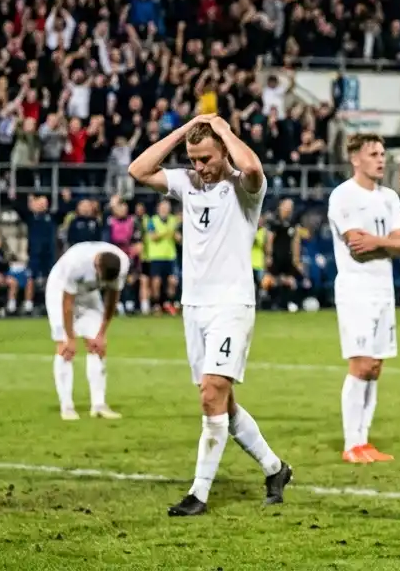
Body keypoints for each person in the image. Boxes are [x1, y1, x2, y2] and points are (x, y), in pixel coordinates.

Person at [129, 114, 292, 516]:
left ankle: (199, 494)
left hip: (232, 305)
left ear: (223, 151)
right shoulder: (186, 183)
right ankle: (275, 468)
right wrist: (184, 133)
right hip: (193, 306)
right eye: (194, 159)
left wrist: (225, 131)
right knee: (224, 402)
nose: (200, 167)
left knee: (209, 395)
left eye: (207, 158)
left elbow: (252, 166)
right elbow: (138, 170)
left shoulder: (244, 188)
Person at [327, 132, 400, 463]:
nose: (380, 159)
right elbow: (356, 245)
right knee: (360, 365)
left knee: (375, 367)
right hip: (356, 289)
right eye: (373, 154)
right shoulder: (343, 196)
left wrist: (379, 243)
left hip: (383, 290)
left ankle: (363, 441)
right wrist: (385, 241)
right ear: (355, 158)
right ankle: (351, 444)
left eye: (381, 154)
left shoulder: (389, 197)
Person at [47, 240, 129, 421]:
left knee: (98, 346)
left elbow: (112, 299)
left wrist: (101, 333)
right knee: (65, 348)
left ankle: (98, 405)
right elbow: (67, 303)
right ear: (96, 266)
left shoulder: (122, 263)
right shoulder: (76, 264)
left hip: (89, 293)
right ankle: (67, 407)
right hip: (59, 289)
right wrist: (70, 337)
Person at [262, 197, 305, 310]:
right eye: (287, 206)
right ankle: (273, 303)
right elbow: (269, 239)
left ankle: (288, 304)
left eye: (291, 206)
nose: (289, 209)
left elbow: (296, 241)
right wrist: (269, 255)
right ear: (281, 206)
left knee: (290, 280)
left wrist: (296, 258)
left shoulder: (293, 222)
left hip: (288, 257)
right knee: (273, 280)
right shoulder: (274, 221)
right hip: (276, 257)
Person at [141, 199, 181, 314]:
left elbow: (178, 237)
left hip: (170, 255)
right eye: (163, 207)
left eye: (167, 207)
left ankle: (169, 303)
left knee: (172, 281)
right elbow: (153, 237)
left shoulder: (173, 220)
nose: (165, 209)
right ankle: (156, 304)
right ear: (158, 208)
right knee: (156, 282)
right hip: (156, 256)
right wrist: (168, 231)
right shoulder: (151, 221)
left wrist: (178, 237)